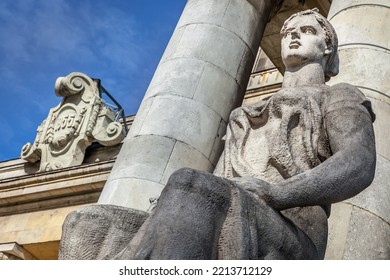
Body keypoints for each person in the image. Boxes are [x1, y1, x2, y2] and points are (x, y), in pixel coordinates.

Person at [60, 9, 376, 260]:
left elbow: (358, 161)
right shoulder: (248, 112)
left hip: (293, 227)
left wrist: (275, 193)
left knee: (191, 186)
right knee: (87, 223)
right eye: (288, 32)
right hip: (226, 207)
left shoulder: (339, 96)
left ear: (327, 45)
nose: (293, 37)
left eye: (307, 31)